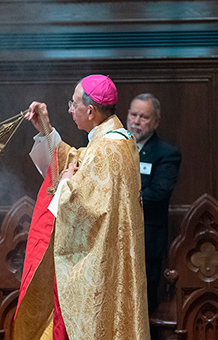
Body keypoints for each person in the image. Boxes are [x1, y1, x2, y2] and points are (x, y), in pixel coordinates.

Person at [14, 75, 150, 339]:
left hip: (98, 262)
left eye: (73, 103)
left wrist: (65, 186)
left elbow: (86, 207)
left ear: (90, 110)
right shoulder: (115, 139)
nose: (70, 109)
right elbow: (77, 160)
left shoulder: (108, 148)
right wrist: (46, 130)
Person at [126, 94, 181, 322]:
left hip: (147, 243)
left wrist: (119, 200)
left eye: (144, 117)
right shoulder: (115, 145)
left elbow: (158, 193)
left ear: (155, 122)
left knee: (141, 310)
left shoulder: (166, 153)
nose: (136, 121)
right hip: (115, 238)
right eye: (133, 114)